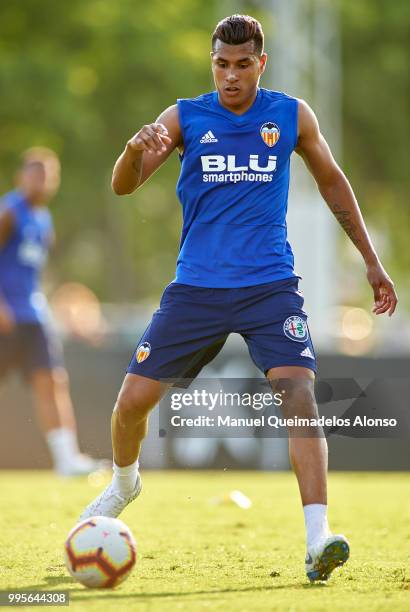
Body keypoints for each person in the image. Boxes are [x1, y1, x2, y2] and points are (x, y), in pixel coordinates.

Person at [80, 15, 398, 581]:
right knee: (131, 405)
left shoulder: (292, 115)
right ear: (212, 63)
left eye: (242, 65)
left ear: (261, 63)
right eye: (221, 65)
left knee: (299, 393)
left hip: (270, 286)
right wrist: (133, 151)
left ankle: (318, 536)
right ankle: (124, 483)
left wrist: (372, 262)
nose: (230, 77)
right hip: (196, 288)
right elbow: (124, 186)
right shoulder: (183, 117)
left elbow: (332, 181)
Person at [0, 147, 102, 476]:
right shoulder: (9, 212)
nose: (41, 180)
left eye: (48, 174)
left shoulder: (44, 220)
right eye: (35, 173)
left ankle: (66, 460)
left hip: (33, 315)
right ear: (21, 177)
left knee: (53, 381)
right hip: (6, 315)